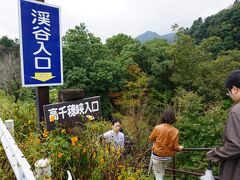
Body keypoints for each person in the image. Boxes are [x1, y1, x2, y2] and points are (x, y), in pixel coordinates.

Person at [207, 70, 240, 180]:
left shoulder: (236, 111)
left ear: (234, 89)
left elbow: (236, 145)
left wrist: (214, 153)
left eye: (228, 92)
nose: (229, 95)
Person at [148, 108, 183, 180]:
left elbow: (150, 138)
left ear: (163, 117)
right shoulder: (176, 131)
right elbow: (176, 147)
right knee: (161, 172)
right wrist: (180, 147)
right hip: (168, 157)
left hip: (157, 156)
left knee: (158, 175)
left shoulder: (157, 128)